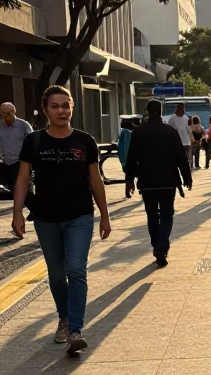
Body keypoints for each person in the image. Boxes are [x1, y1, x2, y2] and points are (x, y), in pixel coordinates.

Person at [13, 85, 111, 355]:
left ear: (72, 108)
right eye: (55, 106)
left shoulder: (85, 141)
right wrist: (17, 212)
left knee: (76, 270)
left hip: (80, 215)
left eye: (65, 106)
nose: (61, 111)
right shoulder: (33, 142)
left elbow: (95, 179)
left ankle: (76, 329)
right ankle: (64, 318)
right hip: (46, 218)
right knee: (56, 275)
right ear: (45, 110)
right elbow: (22, 178)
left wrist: (104, 215)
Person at [124, 100, 192, 267]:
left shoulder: (138, 132)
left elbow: (131, 158)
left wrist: (129, 181)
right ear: (161, 111)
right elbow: (181, 157)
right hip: (168, 181)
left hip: (147, 182)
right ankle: (163, 245)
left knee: (152, 215)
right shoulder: (170, 131)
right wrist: (187, 178)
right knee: (167, 214)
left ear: (147, 111)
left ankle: (157, 246)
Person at [0, 101, 33, 196]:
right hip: (6, 162)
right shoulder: (1, 127)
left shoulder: (24, 125)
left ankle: (31, 207)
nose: (3, 115)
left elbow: (32, 142)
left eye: (5, 113)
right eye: (1, 113)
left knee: (19, 186)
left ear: (13, 112)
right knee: (11, 186)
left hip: (20, 162)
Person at [168, 102, 192, 167]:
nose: (182, 111)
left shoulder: (185, 117)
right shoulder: (173, 117)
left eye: (182, 110)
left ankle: (186, 166)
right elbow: (170, 127)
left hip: (185, 141)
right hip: (178, 141)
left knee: (185, 158)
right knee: (181, 157)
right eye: (180, 110)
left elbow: (189, 129)